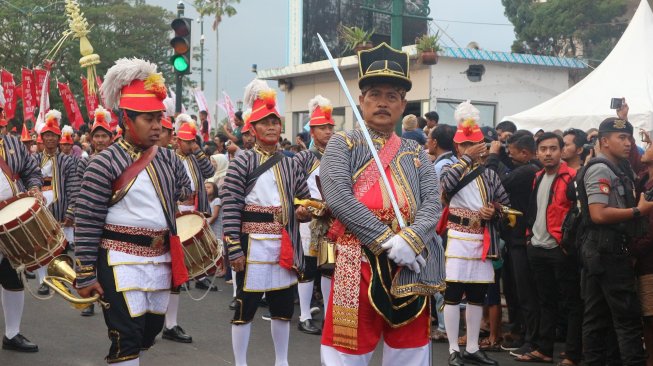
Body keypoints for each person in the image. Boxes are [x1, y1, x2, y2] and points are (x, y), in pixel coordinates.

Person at [320, 43, 443, 365]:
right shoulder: (343, 142)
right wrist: (388, 240)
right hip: (355, 260)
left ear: (403, 104)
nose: (383, 103)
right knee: (346, 352)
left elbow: (433, 200)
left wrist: (411, 239)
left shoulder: (415, 152)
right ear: (361, 100)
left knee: (410, 350)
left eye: (392, 96)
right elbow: (338, 197)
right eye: (375, 94)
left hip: (411, 262)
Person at [74, 58, 193, 365]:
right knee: (125, 338)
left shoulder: (169, 160)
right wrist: (86, 272)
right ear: (127, 118)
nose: (157, 125)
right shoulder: (102, 163)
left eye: (159, 118)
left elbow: (187, 198)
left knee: (146, 334)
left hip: (160, 261)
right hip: (118, 259)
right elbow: (87, 220)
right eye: (148, 119)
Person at [222, 79, 310, 366]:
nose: (272, 126)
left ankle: (281, 361)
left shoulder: (291, 162)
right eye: (265, 122)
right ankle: (240, 362)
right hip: (252, 243)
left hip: (283, 243)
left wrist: (305, 210)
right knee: (245, 308)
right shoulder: (242, 161)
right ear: (253, 128)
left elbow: (303, 197)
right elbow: (232, 205)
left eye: (275, 121)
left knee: (283, 308)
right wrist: (233, 248)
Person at [577, 117, 653, 366]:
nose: (628, 143)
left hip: (603, 250)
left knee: (598, 319)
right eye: (621, 137)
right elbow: (599, 214)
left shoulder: (618, 168)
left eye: (629, 137)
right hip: (606, 250)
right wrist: (638, 211)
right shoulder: (601, 168)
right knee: (627, 320)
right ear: (604, 141)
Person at [440, 101, 509, 366]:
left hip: (482, 239)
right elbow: (446, 185)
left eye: (476, 145)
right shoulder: (449, 167)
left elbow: (505, 203)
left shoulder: (490, 174)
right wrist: (467, 158)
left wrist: (496, 211)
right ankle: (452, 349)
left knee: (477, 295)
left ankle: (471, 347)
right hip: (457, 237)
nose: (472, 149)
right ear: (458, 147)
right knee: (453, 294)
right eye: (467, 146)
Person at [518, 132, 582, 365]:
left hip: (560, 249)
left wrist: (566, 244)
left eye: (553, 148)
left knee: (572, 302)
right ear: (537, 152)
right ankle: (544, 350)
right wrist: (529, 237)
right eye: (543, 149)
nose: (548, 153)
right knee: (546, 301)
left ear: (561, 150)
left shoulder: (573, 177)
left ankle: (574, 353)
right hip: (537, 246)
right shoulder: (537, 176)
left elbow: (578, 214)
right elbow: (535, 209)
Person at [161, 114, 216, 343]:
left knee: (178, 272)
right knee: (167, 269)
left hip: (192, 213)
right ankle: (161, 321)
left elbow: (210, 172)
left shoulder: (195, 157)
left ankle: (170, 323)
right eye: (187, 141)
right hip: (173, 215)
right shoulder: (169, 158)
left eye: (192, 141)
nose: (190, 145)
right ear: (177, 140)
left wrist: (198, 149)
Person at [487, 130, 542, 357]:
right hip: (513, 239)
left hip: (522, 241)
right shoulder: (524, 168)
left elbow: (494, 180)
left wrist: (493, 156)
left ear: (526, 152)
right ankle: (519, 330)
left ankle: (532, 338)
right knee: (512, 290)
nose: (508, 156)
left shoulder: (530, 170)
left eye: (511, 152)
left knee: (526, 293)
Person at [292, 95, 336, 336]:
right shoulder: (302, 158)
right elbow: (292, 189)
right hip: (309, 220)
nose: (328, 131)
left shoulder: (340, 156)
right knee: (308, 268)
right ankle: (305, 315)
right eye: (323, 127)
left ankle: (329, 315)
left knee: (328, 267)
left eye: (330, 127)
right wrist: (300, 207)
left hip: (331, 219)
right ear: (312, 130)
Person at [0, 133, 43, 353]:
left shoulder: (13, 142)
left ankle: (12, 333)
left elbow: (31, 170)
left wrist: (34, 187)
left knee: (13, 276)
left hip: (12, 219)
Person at [34, 110, 80, 296]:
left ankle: (61, 279)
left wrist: (71, 211)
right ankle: (43, 281)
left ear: (59, 138)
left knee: (61, 248)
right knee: (40, 247)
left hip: (61, 210)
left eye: (53, 135)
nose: (50, 138)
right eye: (47, 135)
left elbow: (73, 187)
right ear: (42, 137)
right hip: (40, 209)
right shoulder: (34, 160)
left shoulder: (67, 161)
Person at [75, 106, 114, 317]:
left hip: (109, 217)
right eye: (97, 136)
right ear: (91, 139)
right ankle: (88, 300)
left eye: (104, 136)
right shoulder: (84, 162)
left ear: (110, 137)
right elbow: (80, 190)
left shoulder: (118, 162)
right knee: (88, 257)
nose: (100, 140)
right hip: (90, 215)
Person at [630, 131, 653, 366]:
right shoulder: (645, 177)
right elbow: (633, 160)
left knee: (651, 319)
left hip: (648, 260)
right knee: (647, 318)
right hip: (643, 259)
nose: (647, 145)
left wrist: (632, 251)